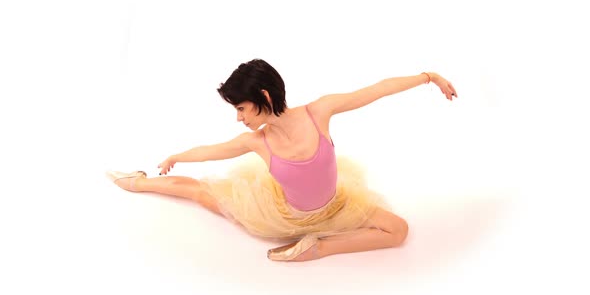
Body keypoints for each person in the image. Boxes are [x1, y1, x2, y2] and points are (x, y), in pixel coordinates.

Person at [107, 59, 457, 262]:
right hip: (281, 215)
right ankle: (137, 181)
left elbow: (375, 90)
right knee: (201, 192)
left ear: (263, 96)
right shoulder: (256, 142)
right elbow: (211, 151)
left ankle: (318, 248)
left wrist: (428, 77)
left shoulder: (319, 112)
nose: (239, 117)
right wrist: (177, 156)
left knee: (398, 230)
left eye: (241, 108)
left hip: (336, 206)